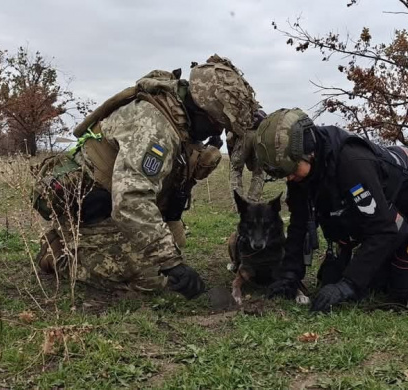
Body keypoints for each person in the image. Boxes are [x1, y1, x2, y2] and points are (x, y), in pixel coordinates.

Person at [31, 55, 259, 300]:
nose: (217, 132)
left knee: (174, 243)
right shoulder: (155, 127)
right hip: (89, 210)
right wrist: (170, 263)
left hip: (110, 205)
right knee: (153, 277)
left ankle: (93, 245)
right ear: (203, 111)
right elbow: (131, 199)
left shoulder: (179, 117)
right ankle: (60, 253)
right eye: (218, 124)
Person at [254, 108, 408, 312]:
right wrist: (289, 274)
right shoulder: (301, 173)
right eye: (284, 174)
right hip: (382, 217)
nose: (291, 178)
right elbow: (299, 222)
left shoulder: (352, 165)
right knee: (332, 278)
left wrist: (349, 285)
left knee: (405, 287)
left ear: (310, 151)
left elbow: (384, 230)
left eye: (293, 170)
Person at [227, 110, 267, 202]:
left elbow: (229, 138)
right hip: (259, 137)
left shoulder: (237, 115)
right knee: (259, 172)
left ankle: (239, 203)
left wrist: (233, 158)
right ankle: (253, 200)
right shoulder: (262, 116)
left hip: (243, 135)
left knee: (236, 170)